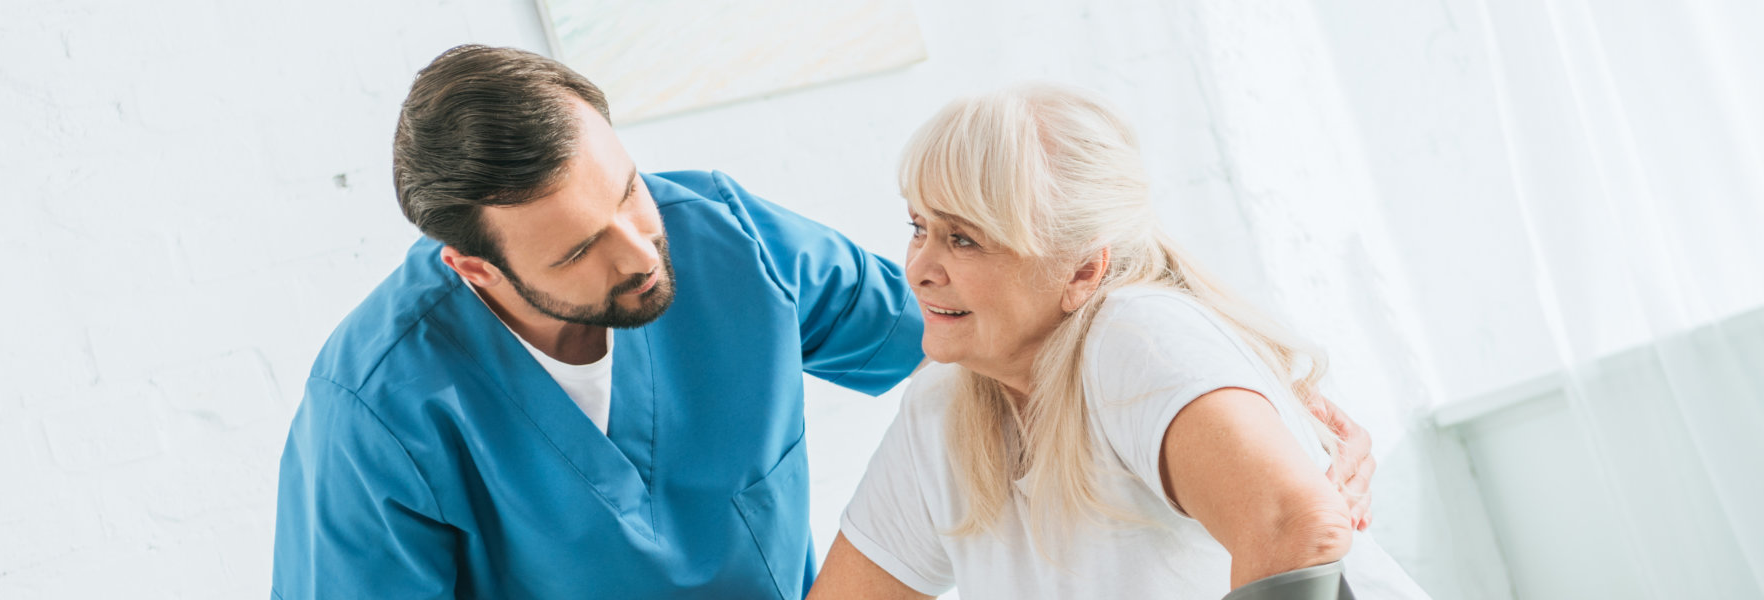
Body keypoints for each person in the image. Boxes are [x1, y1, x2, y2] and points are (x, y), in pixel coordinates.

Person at [270, 46, 1381, 599]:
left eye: (629, 192)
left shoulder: (725, 242)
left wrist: (1248, 401)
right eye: (577, 251)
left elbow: (986, 321)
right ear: (472, 267)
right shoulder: (379, 415)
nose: (639, 249)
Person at [808, 84, 1428, 599]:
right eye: (919, 227)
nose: (918, 267)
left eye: (964, 239)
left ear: (1081, 272)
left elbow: (1299, 528)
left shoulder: (1135, 339)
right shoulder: (942, 405)